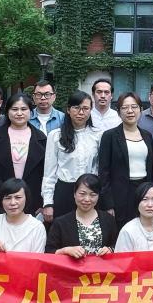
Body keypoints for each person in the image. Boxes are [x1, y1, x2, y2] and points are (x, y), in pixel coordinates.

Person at [0, 92, 47, 217]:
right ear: (7, 112)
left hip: (32, 200)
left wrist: (43, 201)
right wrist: (2, 192)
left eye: (24, 109)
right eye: (14, 109)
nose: (19, 113)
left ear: (31, 112)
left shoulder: (41, 138)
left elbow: (47, 172)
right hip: (0, 199)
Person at [41, 91, 102, 224]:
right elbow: (49, 173)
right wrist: (48, 203)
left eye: (85, 108)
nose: (81, 112)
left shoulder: (98, 135)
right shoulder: (55, 136)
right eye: (76, 108)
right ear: (68, 110)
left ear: (91, 110)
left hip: (90, 193)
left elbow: (99, 168)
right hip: (64, 191)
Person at [98, 92, 153, 226]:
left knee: (143, 228)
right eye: (125, 108)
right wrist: (108, 203)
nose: (130, 111)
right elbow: (103, 172)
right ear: (118, 112)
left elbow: (152, 168)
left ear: (141, 110)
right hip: (119, 194)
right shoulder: (109, 136)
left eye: (134, 107)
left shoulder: (147, 135)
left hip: (143, 191)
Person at [45, 173, 118, 257]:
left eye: (93, 195)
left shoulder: (108, 220)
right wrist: (65, 250)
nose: (87, 199)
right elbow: (48, 252)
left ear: (98, 196)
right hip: (71, 265)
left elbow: (117, 245)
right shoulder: (60, 223)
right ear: (74, 194)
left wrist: (110, 249)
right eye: (82, 194)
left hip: (100, 265)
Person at [115, 182, 153, 252]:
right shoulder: (127, 231)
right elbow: (121, 258)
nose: (150, 205)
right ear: (137, 203)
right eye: (145, 199)